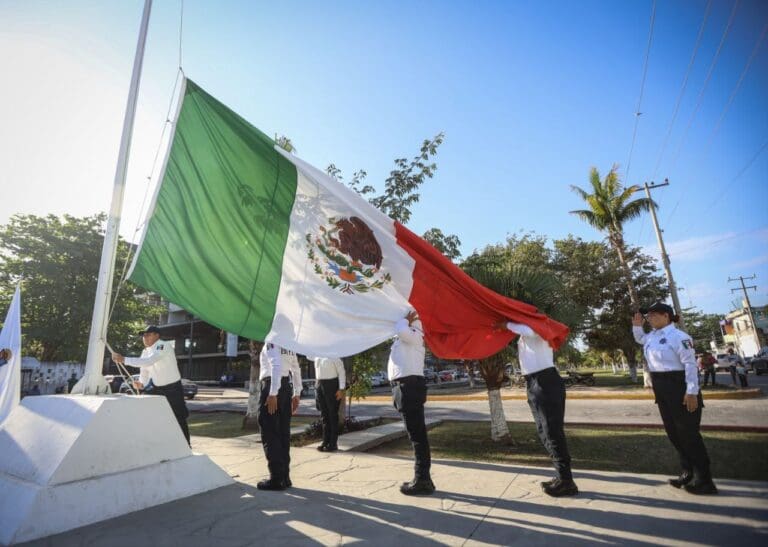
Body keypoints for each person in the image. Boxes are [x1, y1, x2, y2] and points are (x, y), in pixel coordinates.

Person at [632, 303, 717, 495]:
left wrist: (692, 392)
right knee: (674, 434)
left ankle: (705, 480)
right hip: (662, 388)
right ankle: (687, 472)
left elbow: (690, 365)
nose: (649, 318)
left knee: (689, 435)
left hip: (680, 387)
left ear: (666, 316)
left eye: (653, 315)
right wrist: (637, 326)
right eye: (648, 316)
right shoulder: (652, 336)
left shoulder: (680, 337)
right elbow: (640, 339)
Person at [494, 320, 578, 497]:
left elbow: (530, 330)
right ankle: (562, 476)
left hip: (545, 381)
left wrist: (506, 325)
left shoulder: (538, 328)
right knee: (544, 432)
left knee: (552, 432)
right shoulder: (526, 333)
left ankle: (567, 481)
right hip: (534, 382)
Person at [112, 326, 191, 446]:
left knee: (178, 416)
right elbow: (144, 369)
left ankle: (186, 445)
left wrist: (124, 359)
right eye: (143, 335)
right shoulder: (145, 351)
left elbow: (150, 361)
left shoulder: (163, 345)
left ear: (157, 335)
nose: (144, 337)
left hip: (173, 388)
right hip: (157, 387)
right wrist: (141, 383)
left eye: (148, 335)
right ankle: (156, 444)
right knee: (149, 412)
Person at [387, 310, 435, 496]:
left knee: (417, 436)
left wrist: (405, 320)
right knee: (416, 434)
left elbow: (401, 330)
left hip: (410, 387)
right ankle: (424, 478)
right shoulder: (405, 339)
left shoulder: (415, 336)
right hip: (405, 387)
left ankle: (422, 479)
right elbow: (399, 331)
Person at [256, 342, 301, 491]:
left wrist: (273, 393)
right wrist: (297, 393)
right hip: (286, 388)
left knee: (270, 433)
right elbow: (296, 369)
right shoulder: (289, 345)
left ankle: (276, 479)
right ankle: (285, 477)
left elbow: (276, 365)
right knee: (283, 433)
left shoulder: (272, 342)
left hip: (272, 387)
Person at [312, 356, 346, 452]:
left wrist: (341, 389)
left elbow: (341, 372)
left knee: (332, 415)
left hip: (332, 385)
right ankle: (325, 441)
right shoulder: (317, 355)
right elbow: (307, 354)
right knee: (324, 415)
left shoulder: (334, 355)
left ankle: (333, 443)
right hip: (319, 384)